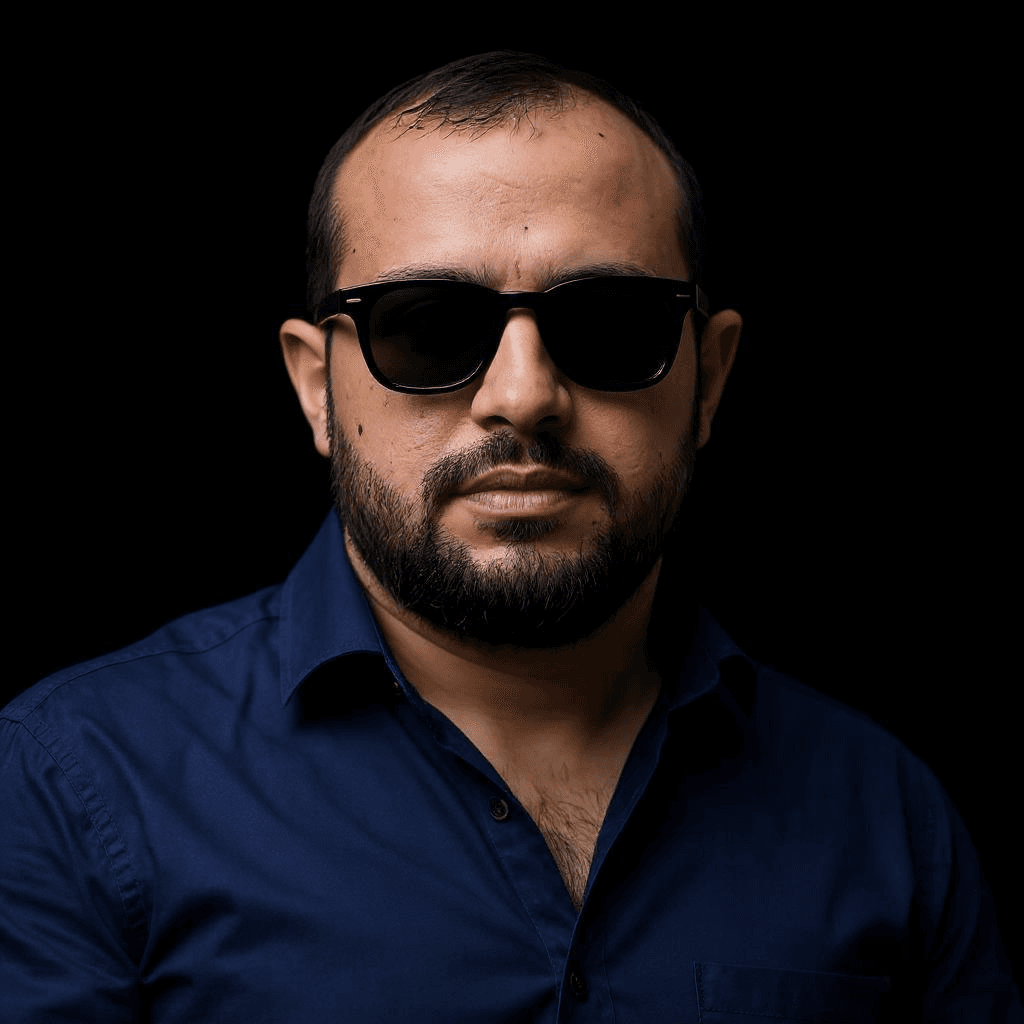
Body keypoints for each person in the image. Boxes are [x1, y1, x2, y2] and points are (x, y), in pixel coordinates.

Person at [2, 50, 1019, 1022]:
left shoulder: (884, 813)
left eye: (611, 322)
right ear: (317, 388)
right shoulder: (70, 785)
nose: (524, 396)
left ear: (709, 379)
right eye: (426, 326)